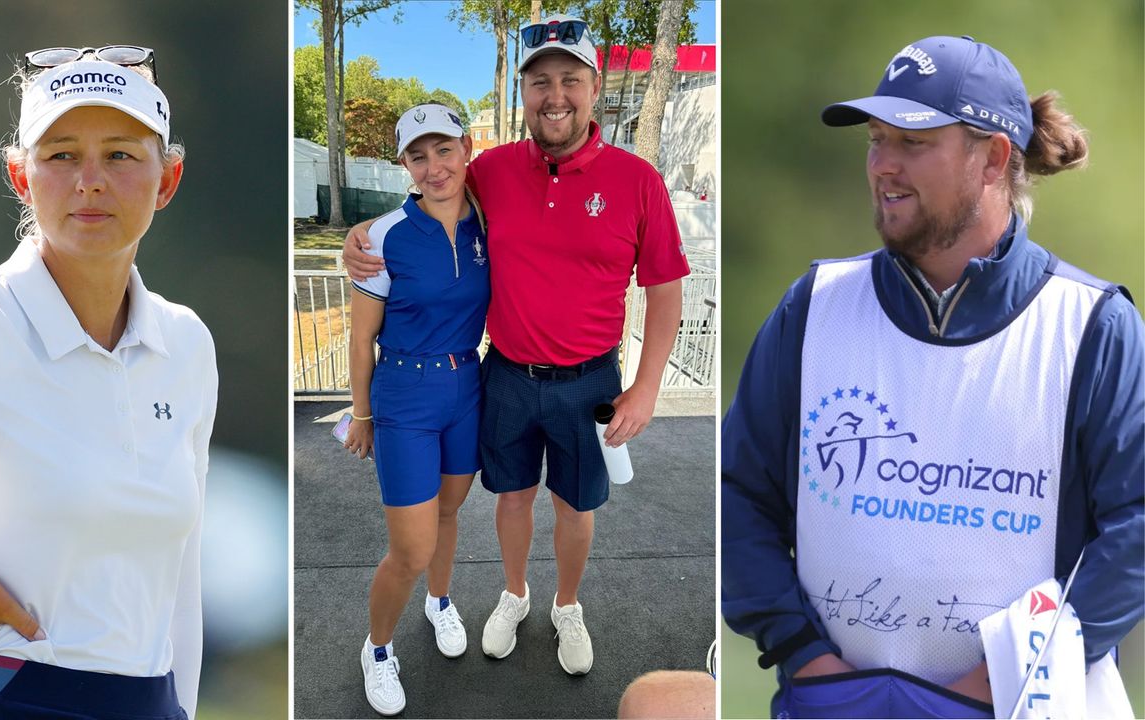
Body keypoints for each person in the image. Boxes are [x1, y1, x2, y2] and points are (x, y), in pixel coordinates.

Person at [721, 35, 1143, 719]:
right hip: (833, 703)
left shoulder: (1094, 325)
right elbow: (738, 492)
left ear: (994, 158)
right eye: (876, 139)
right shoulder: (814, 304)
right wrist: (808, 659)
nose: (883, 165)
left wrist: (1002, 681)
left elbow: (1136, 531)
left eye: (913, 143)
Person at [0, 46, 215, 719]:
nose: (89, 180)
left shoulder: (187, 342)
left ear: (166, 179)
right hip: (7, 700)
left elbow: (180, 580)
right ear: (20, 176)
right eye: (59, 155)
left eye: (119, 154)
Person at [345, 14, 688, 677]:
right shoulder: (494, 169)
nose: (554, 96)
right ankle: (514, 594)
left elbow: (667, 289)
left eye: (569, 80)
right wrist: (363, 234)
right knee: (512, 499)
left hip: (590, 381)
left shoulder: (636, 180)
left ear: (593, 87)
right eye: (540, 83)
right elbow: (428, 194)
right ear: (524, 93)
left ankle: (566, 606)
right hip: (503, 374)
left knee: (576, 507)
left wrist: (646, 387)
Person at [341, 102, 488, 716]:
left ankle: (440, 600)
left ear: (466, 149)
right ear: (404, 163)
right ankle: (377, 649)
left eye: (444, 150)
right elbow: (359, 337)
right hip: (403, 395)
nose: (434, 167)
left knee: (450, 513)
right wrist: (361, 413)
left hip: (467, 385)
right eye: (418, 156)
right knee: (410, 548)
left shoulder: (491, 219)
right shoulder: (379, 237)